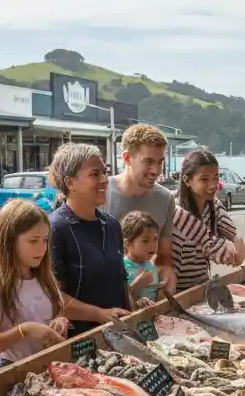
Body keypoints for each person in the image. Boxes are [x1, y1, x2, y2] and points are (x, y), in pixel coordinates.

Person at [48, 143, 131, 334]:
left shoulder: (111, 225)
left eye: (105, 172)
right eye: (95, 174)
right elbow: (52, 298)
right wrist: (100, 314)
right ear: (70, 183)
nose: (104, 180)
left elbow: (121, 281)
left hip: (118, 333)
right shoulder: (55, 228)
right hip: (79, 340)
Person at [0, 199, 68, 368]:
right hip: (14, 371)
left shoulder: (45, 278)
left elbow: (57, 314)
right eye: (33, 241)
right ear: (10, 242)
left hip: (50, 366)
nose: (41, 249)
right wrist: (23, 330)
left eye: (45, 240)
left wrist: (60, 322)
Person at [105, 123, 176, 294]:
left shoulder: (165, 199)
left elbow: (164, 256)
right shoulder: (101, 193)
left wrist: (167, 274)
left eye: (160, 162)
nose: (156, 170)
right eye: (148, 162)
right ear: (127, 158)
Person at [172, 148, 245, 291]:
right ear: (187, 180)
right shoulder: (173, 208)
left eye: (216, 178)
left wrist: (236, 247)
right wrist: (226, 250)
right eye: (204, 179)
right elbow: (210, 243)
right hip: (173, 291)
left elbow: (235, 241)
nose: (212, 185)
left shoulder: (215, 207)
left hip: (202, 288)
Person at [122, 210, 162, 304]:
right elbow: (119, 299)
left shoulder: (151, 264)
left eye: (155, 239)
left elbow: (152, 290)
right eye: (145, 241)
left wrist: (161, 287)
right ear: (127, 243)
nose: (152, 245)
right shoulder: (121, 268)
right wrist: (136, 286)